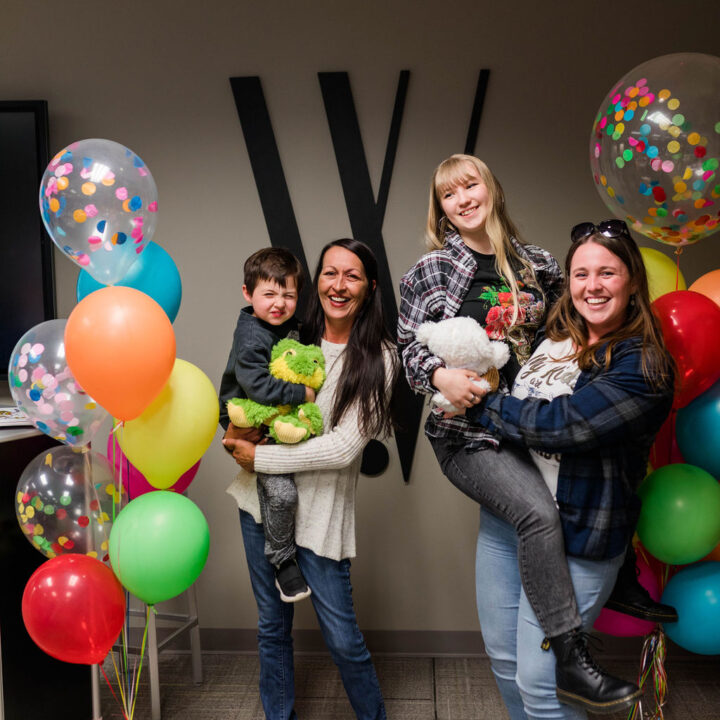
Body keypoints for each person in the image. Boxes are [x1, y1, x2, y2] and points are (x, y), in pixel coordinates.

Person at [398, 155, 644, 714]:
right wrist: (439, 375)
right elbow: (405, 348)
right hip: (468, 434)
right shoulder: (431, 270)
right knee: (538, 514)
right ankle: (573, 657)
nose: (462, 199)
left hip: (531, 429)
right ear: (439, 209)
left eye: (470, 184)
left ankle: (618, 583)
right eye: (447, 195)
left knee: (513, 651)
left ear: (492, 188)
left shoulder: (538, 265)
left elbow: (577, 325)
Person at [463, 219, 674, 719]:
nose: (592, 286)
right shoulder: (554, 335)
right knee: (506, 660)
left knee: (544, 686)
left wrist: (475, 402)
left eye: (607, 272)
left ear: (632, 282)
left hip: (576, 534)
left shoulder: (643, 364)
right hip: (509, 518)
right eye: (581, 274)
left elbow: (564, 425)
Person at [223, 238, 397, 720]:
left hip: (321, 516)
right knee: (273, 629)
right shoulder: (288, 334)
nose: (338, 285)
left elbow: (343, 449)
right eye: (329, 272)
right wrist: (236, 429)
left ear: (369, 287)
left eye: (352, 275)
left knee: (343, 641)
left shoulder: (381, 357)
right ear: (316, 280)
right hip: (260, 505)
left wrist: (260, 459)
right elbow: (245, 388)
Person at [218, 247, 316, 602]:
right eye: (269, 294)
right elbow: (257, 388)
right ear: (248, 294)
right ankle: (282, 561)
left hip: (272, 416)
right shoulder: (252, 335)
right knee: (282, 493)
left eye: (288, 295)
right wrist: (303, 393)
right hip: (245, 419)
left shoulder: (290, 327)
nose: (279, 303)